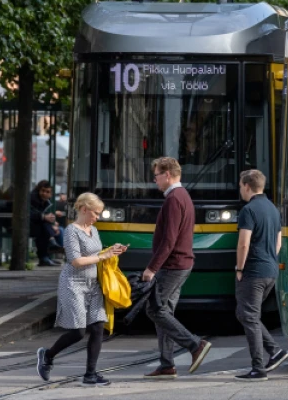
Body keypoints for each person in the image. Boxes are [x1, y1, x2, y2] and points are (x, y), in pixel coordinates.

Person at [36, 192, 125, 387]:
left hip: (93, 284)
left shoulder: (93, 230)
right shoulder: (71, 231)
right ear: (84, 209)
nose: (97, 217)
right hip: (73, 283)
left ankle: (90, 374)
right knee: (78, 331)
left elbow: (96, 254)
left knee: (97, 327)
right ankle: (47, 355)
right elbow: (76, 261)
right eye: (96, 213)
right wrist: (103, 256)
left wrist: (112, 251)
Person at [141, 157, 213, 378]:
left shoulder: (173, 199)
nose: (155, 181)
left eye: (156, 176)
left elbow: (169, 240)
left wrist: (152, 268)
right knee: (165, 311)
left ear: (168, 175)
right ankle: (166, 364)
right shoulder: (182, 196)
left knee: (154, 309)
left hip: (173, 265)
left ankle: (194, 344)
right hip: (181, 263)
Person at [233, 169, 288, 381]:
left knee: (248, 316)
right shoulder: (273, 209)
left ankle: (258, 368)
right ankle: (275, 351)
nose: (240, 190)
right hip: (270, 270)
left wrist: (240, 268)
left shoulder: (248, 210)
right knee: (247, 314)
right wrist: (268, 260)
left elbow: (243, 243)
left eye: (241, 186)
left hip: (253, 271)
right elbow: (278, 243)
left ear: (247, 186)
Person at [30, 181, 64, 267]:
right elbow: (30, 214)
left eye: (47, 192)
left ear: (51, 194)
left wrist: (54, 224)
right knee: (43, 229)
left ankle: (50, 253)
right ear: (38, 190)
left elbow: (48, 215)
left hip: (39, 225)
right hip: (30, 225)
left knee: (59, 229)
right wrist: (44, 217)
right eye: (43, 191)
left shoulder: (46, 201)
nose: (44, 193)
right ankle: (49, 253)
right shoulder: (32, 199)